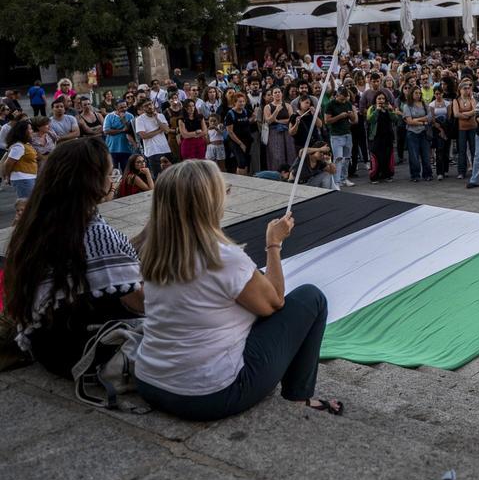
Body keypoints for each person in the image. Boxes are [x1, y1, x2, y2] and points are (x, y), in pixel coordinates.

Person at [134, 160, 341, 421]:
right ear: (209, 202)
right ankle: (299, 396)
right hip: (209, 394)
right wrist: (273, 245)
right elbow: (275, 302)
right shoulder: (222, 257)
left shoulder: (154, 251)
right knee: (311, 297)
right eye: (224, 191)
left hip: (149, 380)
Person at [3, 137, 144, 377]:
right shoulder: (97, 234)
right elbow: (139, 302)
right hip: (86, 351)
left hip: (47, 347)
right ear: (92, 181)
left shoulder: (37, 225)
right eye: (110, 174)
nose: (112, 181)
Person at [323, 87, 357, 188]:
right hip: (336, 136)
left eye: (345, 99)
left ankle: (344, 178)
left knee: (347, 159)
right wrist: (340, 116)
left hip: (347, 134)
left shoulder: (348, 103)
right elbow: (327, 121)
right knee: (338, 159)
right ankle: (336, 182)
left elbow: (354, 119)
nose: (344, 101)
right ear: (336, 96)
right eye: (341, 99)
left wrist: (351, 115)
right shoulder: (330, 105)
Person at [136, 98, 173, 176]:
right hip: (152, 152)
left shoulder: (160, 115)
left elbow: (166, 130)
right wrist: (159, 130)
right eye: (146, 106)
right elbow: (143, 136)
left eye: (151, 104)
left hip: (165, 149)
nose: (150, 107)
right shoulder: (139, 119)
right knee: (158, 176)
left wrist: (157, 118)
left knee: (170, 175)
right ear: (143, 108)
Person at [366, 91, 397, 183]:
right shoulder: (372, 108)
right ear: (375, 100)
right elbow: (370, 119)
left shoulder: (388, 108)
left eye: (383, 99)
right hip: (376, 137)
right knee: (376, 157)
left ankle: (387, 175)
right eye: (379, 98)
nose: (381, 100)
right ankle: (374, 176)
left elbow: (395, 119)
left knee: (387, 156)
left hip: (387, 136)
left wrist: (391, 110)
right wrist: (377, 110)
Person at [2, 119, 38, 199]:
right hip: (22, 178)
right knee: (26, 204)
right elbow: (8, 163)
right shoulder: (18, 146)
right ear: (23, 132)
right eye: (30, 129)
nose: (32, 131)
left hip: (29, 177)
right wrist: (7, 176)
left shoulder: (25, 144)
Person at [451, 82, 477, 180]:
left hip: (472, 127)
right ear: (460, 89)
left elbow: (476, 110)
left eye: (468, 88)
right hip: (461, 129)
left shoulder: (472, 99)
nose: (467, 90)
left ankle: (475, 169)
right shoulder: (456, 100)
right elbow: (456, 114)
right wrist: (469, 114)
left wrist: (464, 114)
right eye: (464, 88)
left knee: (474, 149)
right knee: (462, 150)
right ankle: (461, 171)